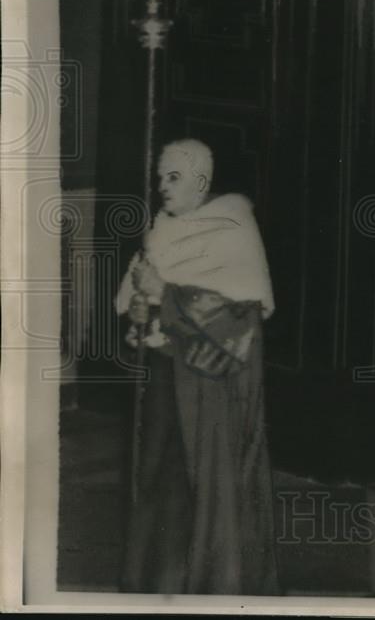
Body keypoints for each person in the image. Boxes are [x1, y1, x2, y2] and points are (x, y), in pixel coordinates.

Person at [115, 139, 278, 594]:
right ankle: (156, 582)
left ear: (201, 183)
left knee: (206, 485)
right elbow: (142, 303)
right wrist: (142, 314)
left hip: (212, 385)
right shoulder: (164, 229)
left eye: (173, 177)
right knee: (159, 477)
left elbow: (236, 317)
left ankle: (210, 587)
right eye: (159, 178)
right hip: (168, 377)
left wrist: (164, 295)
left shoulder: (231, 228)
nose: (161, 187)